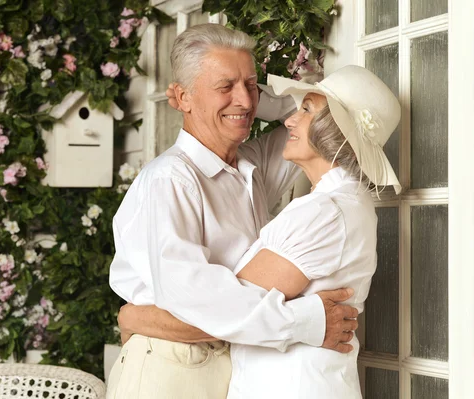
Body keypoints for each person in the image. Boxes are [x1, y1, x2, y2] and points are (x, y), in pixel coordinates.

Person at [106, 23, 359, 399]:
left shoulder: (250, 166)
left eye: (250, 84)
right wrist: (306, 321)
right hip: (171, 368)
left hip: (231, 364)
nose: (243, 100)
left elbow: (319, 117)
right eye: (225, 87)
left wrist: (257, 98)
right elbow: (201, 305)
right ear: (181, 97)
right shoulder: (170, 181)